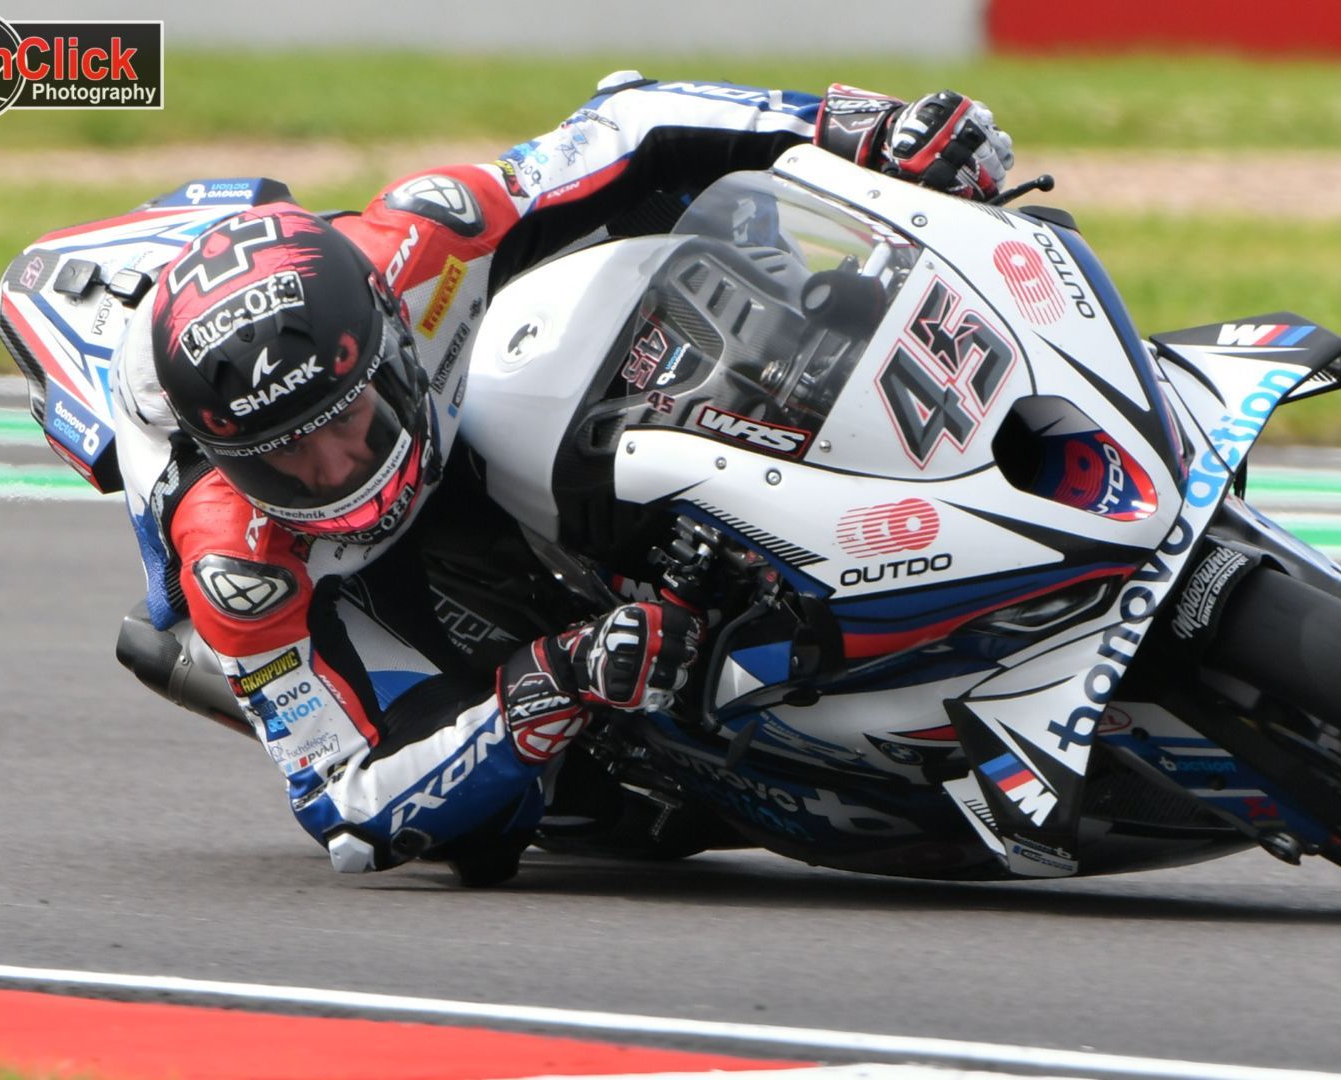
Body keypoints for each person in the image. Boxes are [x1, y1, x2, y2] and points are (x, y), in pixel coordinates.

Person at [109, 72, 1016, 884]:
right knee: (510, 823)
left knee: (686, 209)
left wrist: (849, 126)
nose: (339, 471)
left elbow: (629, 120)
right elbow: (344, 804)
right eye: (288, 460)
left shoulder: (426, 244)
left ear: (387, 347)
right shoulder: (240, 558)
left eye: (348, 424)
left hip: (457, 380)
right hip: (341, 576)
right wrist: (553, 679)